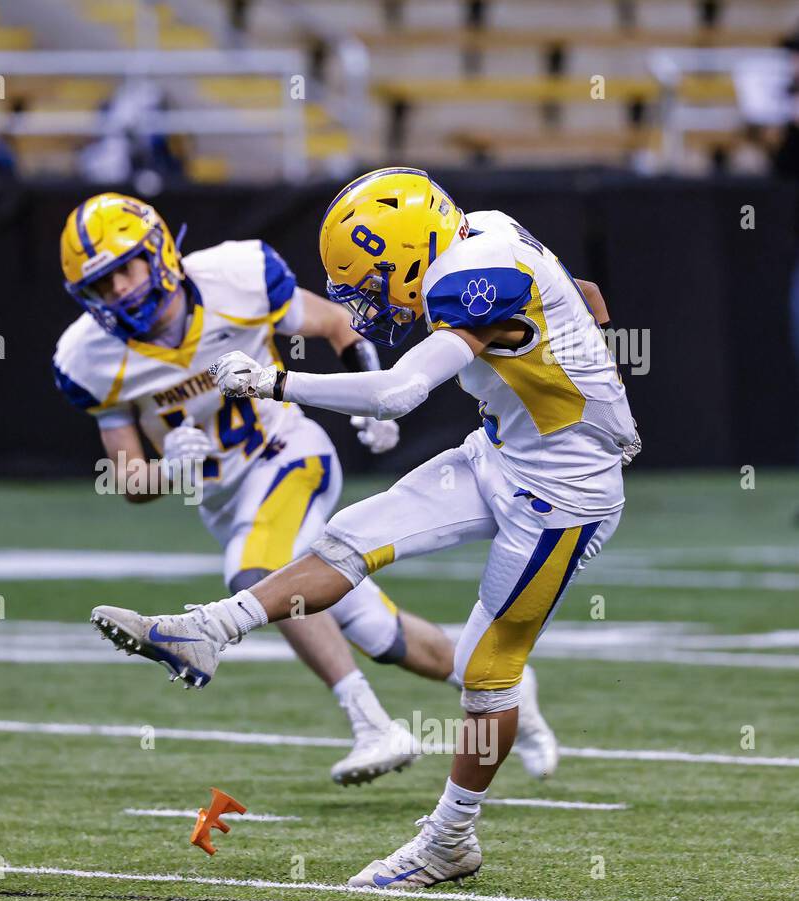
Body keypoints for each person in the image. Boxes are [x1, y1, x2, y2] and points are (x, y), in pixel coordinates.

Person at [90, 169, 640, 886]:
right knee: (352, 532)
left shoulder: (471, 277)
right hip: (503, 451)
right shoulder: (483, 234)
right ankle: (208, 631)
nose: (363, 299)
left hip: (565, 493)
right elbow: (588, 297)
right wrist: (571, 341)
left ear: (413, 251)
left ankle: (450, 841)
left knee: (486, 673)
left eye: (371, 280)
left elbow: (398, 393)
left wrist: (277, 382)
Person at [56, 190, 558, 787]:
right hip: (225, 500)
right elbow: (129, 478)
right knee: (381, 635)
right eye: (101, 287)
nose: (117, 293)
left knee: (252, 571)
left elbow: (339, 324)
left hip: (289, 456)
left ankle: (372, 725)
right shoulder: (87, 358)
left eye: (123, 272)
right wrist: (166, 474)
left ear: (158, 250)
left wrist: (375, 407)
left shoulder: (235, 278)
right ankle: (510, 689)